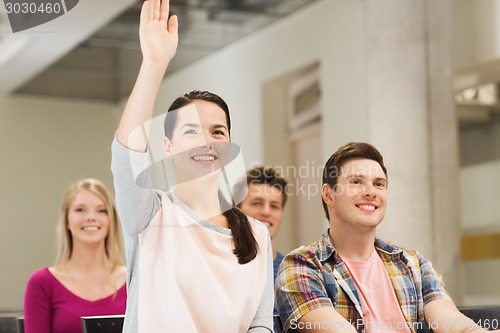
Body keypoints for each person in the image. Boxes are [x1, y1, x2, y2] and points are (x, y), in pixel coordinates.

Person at [110, 0, 273, 332]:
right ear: (167, 147)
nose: (207, 142)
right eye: (191, 131)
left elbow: (260, 323)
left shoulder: (257, 234)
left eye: (217, 132)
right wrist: (154, 64)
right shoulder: (151, 215)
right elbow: (126, 155)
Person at [275, 142, 500, 333]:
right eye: (356, 182)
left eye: (379, 184)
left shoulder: (411, 263)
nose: (371, 191)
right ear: (328, 194)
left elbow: (455, 326)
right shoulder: (301, 266)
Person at [23, 178, 127, 333]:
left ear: (111, 220)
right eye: (80, 210)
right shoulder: (42, 283)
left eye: (101, 210)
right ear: (67, 221)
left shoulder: (133, 280)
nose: (91, 217)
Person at [235, 166, 288, 281]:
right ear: (237, 210)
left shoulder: (292, 271)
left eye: (274, 206)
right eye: (256, 203)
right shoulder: (221, 265)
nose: (266, 212)